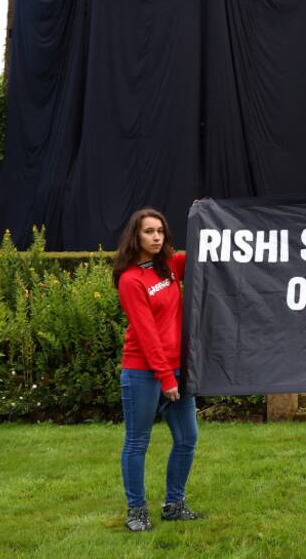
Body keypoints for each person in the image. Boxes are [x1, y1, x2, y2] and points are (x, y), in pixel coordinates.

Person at [113, 208, 199, 532]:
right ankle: (137, 510)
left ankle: (174, 505)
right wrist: (165, 377)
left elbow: (203, 252)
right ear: (135, 236)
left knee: (187, 438)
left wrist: (205, 216)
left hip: (176, 370)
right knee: (138, 441)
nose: (156, 237)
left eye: (160, 231)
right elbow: (147, 335)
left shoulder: (169, 268)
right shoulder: (131, 280)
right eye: (149, 231)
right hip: (142, 373)